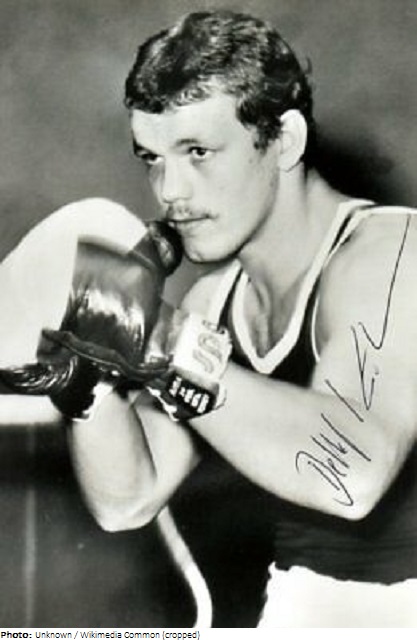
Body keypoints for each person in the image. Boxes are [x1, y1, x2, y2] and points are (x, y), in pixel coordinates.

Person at [2, 9, 417, 627]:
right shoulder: (213, 305)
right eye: (152, 158)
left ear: (286, 141)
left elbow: (350, 473)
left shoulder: (392, 254)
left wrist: (162, 340)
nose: (169, 190)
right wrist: (88, 385)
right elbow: (128, 498)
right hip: (296, 610)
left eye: (197, 152)